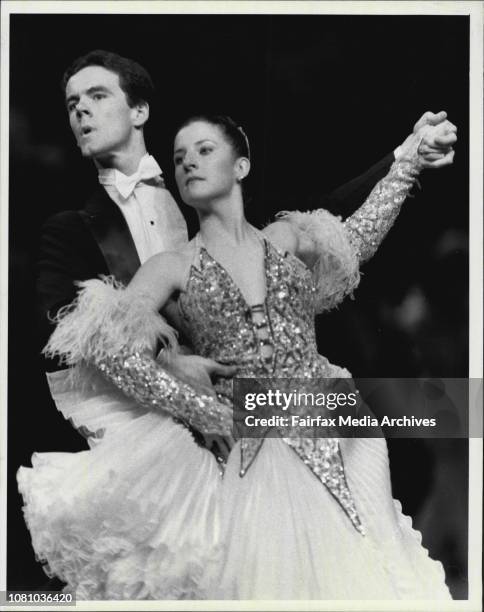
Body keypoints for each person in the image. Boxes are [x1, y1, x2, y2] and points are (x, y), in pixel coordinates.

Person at [18, 112, 456, 599]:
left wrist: (411, 160)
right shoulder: (170, 266)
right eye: (180, 158)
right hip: (252, 441)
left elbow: (359, 236)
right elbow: (112, 350)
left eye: (204, 150)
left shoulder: (288, 238)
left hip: (337, 423)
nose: (188, 164)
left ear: (241, 165)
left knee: (373, 578)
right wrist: (200, 409)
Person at [38, 49, 455, 399]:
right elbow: (73, 337)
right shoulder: (69, 231)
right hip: (160, 418)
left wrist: (407, 155)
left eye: (96, 96)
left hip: (266, 401)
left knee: (442, 414)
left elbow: (329, 217)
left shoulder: (204, 189)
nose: (82, 111)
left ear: (139, 110)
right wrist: (167, 367)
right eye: (73, 104)